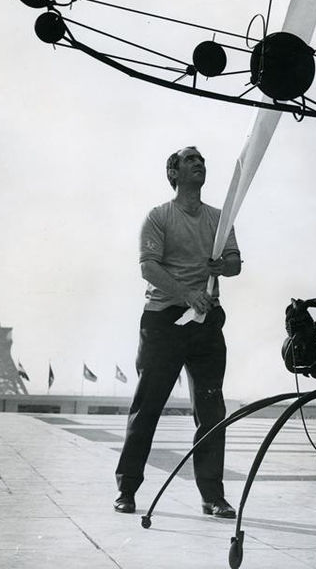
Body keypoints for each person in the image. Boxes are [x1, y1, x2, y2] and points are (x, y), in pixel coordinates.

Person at [114, 145, 241, 517]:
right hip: (163, 322)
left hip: (206, 325)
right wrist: (187, 294)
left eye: (202, 159)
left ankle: (212, 496)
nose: (199, 163)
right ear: (175, 174)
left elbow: (234, 263)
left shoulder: (220, 218)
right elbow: (148, 268)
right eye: (190, 160)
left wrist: (224, 265)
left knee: (211, 409)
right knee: (147, 407)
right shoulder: (158, 217)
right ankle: (127, 489)